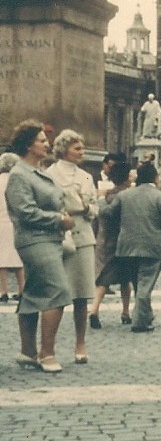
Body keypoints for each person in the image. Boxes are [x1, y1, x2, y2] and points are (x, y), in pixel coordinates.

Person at [4, 120, 75, 373]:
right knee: (58, 291)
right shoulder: (19, 175)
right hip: (35, 240)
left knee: (33, 292)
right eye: (42, 140)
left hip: (48, 239)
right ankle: (47, 353)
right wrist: (58, 219)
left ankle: (27, 352)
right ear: (27, 144)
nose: (47, 144)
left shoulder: (40, 172)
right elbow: (24, 212)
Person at [99, 162, 161, 333]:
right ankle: (140, 322)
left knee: (139, 284)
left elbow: (108, 213)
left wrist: (101, 199)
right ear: (156, 178)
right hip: (153, 247)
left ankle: (146, 315)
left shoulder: (125, 196)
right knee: (145, 285)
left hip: (127, 247)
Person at [46, 130, 98, 364]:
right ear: (64, 149)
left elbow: (96, 208)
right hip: (58, 237)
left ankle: (80, 343)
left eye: (83, 148)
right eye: (77, 148)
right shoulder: (49, 174)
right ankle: (49, 347)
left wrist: (86, 208)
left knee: (82, 296)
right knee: (54, 296)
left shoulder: (87, 176)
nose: (82, 152)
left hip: (83, 237)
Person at [88, 161, 134, 329]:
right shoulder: (127, 196)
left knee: (103, 279)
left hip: (103, 239)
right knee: (125, 280)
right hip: (122, 241)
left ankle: (94, 309)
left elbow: (97, 218)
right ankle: (125, 312)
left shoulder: (106, 195)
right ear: (126, 178)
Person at [0, 153, 26, 303]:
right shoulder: (16, 181)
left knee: (1, 258)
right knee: (18, 258)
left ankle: (3, 291)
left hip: (0, 222)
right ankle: (22, 290)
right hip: (15, 223)